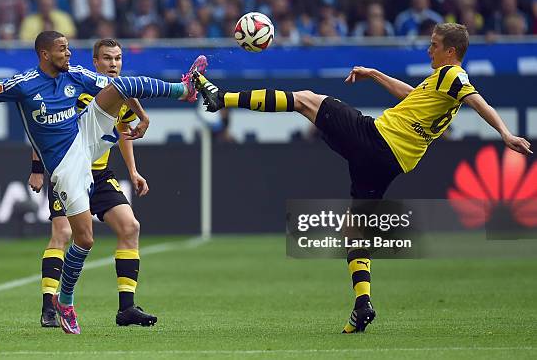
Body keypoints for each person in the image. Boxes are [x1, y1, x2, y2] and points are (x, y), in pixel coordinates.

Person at [191, 23, 531, 333]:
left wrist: (504, 133)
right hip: (391, 163)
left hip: (377, 139)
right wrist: (374, 74)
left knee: (307, 100)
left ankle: (222, 98)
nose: (429, 50)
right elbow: (411, 97)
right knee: (356, 229)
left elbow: (478, 101)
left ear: (451, 51)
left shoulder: (454, 76)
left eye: (434, 44)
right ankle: (362, 305)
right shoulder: (440, 82)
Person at [0, 30, 208, 334]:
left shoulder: (75, 75)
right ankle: (63, 301)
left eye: (68, 49)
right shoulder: (25, 85)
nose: (68, 54)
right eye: (62, 50)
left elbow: (117, 89)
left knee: (120, 86)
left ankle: (183, 89)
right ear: (45, 54)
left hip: (86, 136)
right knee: (84, 239)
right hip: (66, 168)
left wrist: (141, 117)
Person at [29, 38, 155, 328]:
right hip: (69, 173)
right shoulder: (74, 88)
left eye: (118, 59)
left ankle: (127, 308)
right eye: (108, 59)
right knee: (62, 233)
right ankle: (49, 306)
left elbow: (122, 131)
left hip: (99, 175)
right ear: (95, 62)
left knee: (130, 227)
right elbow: (44, 130)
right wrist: (37, 169)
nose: (113, 64)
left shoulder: (120, 95)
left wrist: (133, 171)